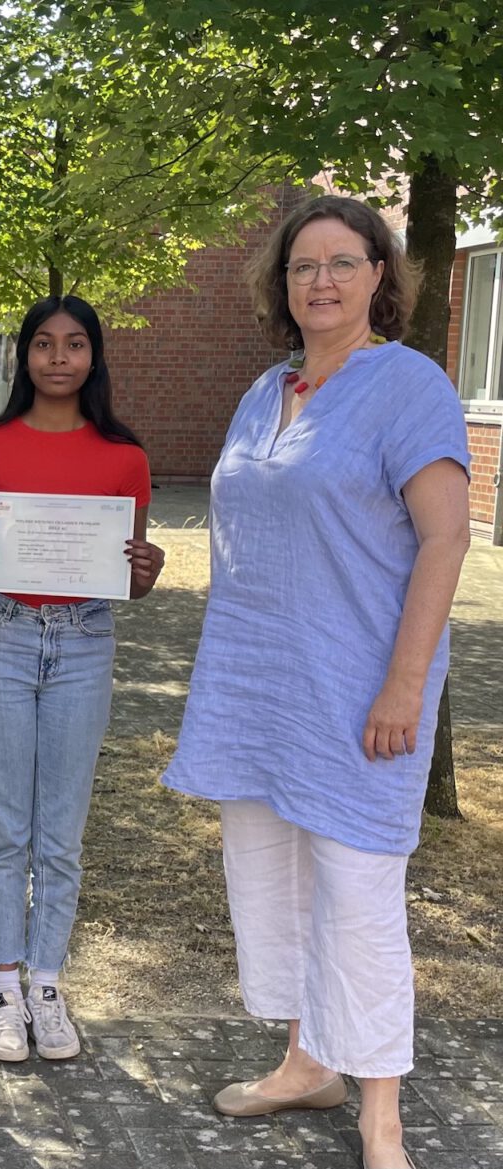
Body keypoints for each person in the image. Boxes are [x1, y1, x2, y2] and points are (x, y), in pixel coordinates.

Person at [162, 196, 470, 1169]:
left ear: (382, 275)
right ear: (281, 284)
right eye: (303, 266)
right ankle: (307, 1060)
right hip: (261, 692)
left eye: (343, 262)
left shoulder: (410, 385)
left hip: (361, 692)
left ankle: (383, 1118)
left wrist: (405, 683)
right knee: (275, 881)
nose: (322, 281)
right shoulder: (267, 391)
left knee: (358, 893)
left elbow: (446, 536)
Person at [0, 296, 164, 1064]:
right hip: (2, 636)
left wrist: (148, 570)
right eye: (43, 344)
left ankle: (47, 982)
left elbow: (130, 580)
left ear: (93, 356)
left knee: (62, 834)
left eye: (74, 344)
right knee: (5, 829)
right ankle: (3, 986)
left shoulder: (125, 457)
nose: (57, 358)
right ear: (24, 356)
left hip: (83, 640)